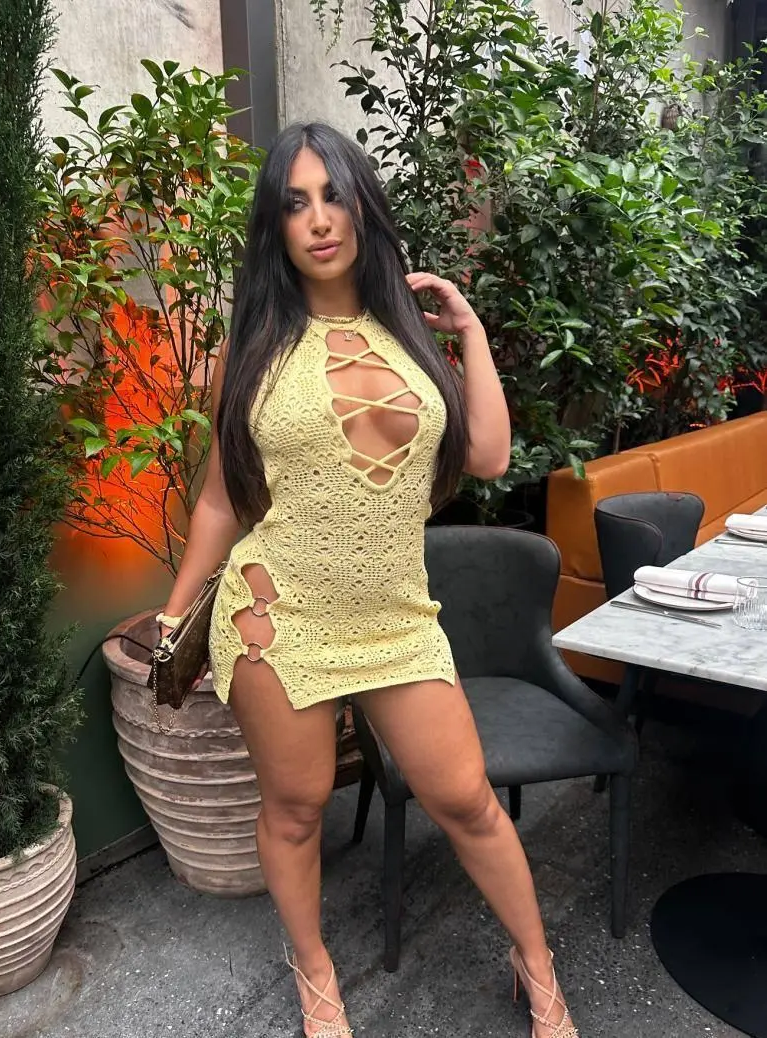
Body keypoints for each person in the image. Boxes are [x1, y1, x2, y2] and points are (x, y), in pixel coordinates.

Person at [157, 122, 578, 1038]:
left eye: (333, 196)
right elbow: (223, 499)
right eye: (294, 203)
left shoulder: (406, 336)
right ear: (276, 227)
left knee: (466, 799)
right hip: (280, 616)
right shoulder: (255, 349)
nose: (318, 220)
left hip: (397, 619)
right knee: (296, 808)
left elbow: (490, 454)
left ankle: (537, 967)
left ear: (362, 208)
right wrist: (176, 612)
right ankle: (315, 974)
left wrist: (470, 333)